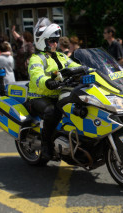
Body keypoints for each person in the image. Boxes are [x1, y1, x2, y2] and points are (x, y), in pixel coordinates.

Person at [27, 17, 81, 159]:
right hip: (39, 97)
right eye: (51, 41)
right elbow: (36, 76)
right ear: (42, 41)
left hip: (60, 94)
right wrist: (47, 81)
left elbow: (74, 66)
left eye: (56, 41)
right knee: (52, 112)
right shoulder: (36, 58)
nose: (55, 44)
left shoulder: (61, 56)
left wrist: (90, 69)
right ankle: (47, 146)